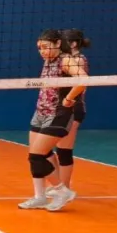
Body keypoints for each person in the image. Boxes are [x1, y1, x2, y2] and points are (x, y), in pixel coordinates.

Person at [19, 29, 88, 212]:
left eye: (45, 47)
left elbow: (83, 79)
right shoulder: (47, 61)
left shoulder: (65, 60)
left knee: (37, 155)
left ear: (58, 43)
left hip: (58, 114)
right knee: (33, 157)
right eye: (39, 48)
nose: (42, 51)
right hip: (40, 113)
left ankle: (62, 190)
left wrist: (69, 99)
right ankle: (39, 197)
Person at [46, 29, 91, 196]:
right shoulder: (65, 60)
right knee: (51, 149)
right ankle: (61, 186)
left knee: (63, 150)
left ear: (72, 44)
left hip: (73, 107)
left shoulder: (77, 60)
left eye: (63, 42)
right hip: (61, 108)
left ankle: (64, 188)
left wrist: (68, 99)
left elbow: (82, 83)